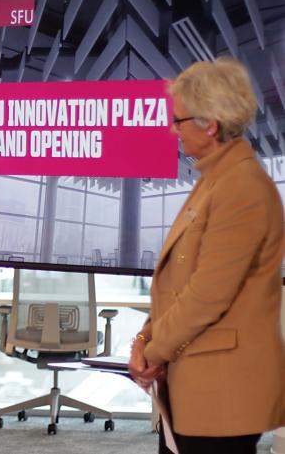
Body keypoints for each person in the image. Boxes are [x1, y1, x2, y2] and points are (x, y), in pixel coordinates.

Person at [128, 58, 285, 454]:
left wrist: (152, 351)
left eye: (179, 120)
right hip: (197, 380)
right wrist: (144, 338)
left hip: (222, 388)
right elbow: (178, 285)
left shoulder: (242, 188)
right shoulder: (215, 180)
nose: (173, 130)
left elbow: (208, 294)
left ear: (210, 125)